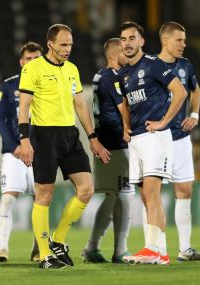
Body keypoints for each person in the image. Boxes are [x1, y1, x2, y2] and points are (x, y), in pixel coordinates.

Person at [18, 24, 110, 269]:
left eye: (70, 44)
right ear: (50, 44)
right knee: (44, 195)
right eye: (63, 44)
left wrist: (92, 137)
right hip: (44, 136)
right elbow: (24, 106)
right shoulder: (33, 68)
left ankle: (58, 240)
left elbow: (80, 105)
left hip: (70, 135)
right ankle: (45, 254)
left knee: (87, 189)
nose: (68, 49)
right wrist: (24, 139)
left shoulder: (72, 69)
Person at [117, 21, 187, 265]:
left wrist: (163, 122)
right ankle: (161, 252)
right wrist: (126, 125)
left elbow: (181, 92)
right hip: (136, 139)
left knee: (151, 192)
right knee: (146, 197)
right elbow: (127, 103)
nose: (127, 43)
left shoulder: (153, 64)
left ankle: (150, 248)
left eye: (132, 38)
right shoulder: (124, 73)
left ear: (141, 41)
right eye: (123, 38)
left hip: (155, 137)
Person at [152, 21, 200, 261]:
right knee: (151, 194)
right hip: (156, 140)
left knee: (185, 189)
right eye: (179, 40)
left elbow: (195, 90)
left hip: (181, 137)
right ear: (165, 41)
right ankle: (155, 248)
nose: (183, 45)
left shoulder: (186, 65)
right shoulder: (150, 66)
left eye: (184, 40)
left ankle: (185, 248)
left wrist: (194, 115)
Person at [81, 38, 134, 264]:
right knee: (125, 195)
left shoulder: (99, 76)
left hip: (105, 140)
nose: (127, 54)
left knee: (113, 196)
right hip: (115, 143)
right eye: (124, 51)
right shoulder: (112, 77)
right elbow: (124, 108)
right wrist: (129, 131)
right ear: (114, 54)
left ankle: (92, 247)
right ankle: (120, 251)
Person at [0, 42, 43, 263]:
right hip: (13, 152)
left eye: (36, 59)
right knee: (8, 199)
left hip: (39, 153)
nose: (32, 62)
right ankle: (3, 249)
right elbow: (0, 119)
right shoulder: (8, 86)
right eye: (28, 59)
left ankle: (38, 248)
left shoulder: (47, 85)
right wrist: (14, 145)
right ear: (21, 62)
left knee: (40, 200)